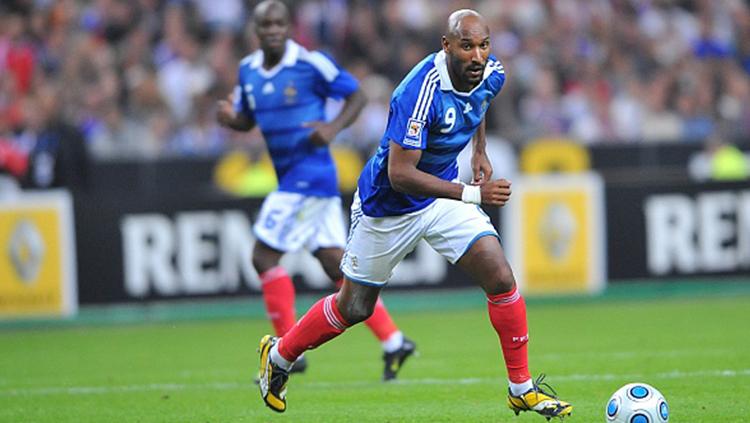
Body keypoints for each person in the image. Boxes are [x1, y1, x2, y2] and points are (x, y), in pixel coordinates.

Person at [256, 9, 573, 419]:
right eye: (467, 46)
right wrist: (473, 194)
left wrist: (479, 150)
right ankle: (279, 355)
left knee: (500, 276)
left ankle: (521, 388)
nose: (477, 55)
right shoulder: (418, 91)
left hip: (442, 198)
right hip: (388, 207)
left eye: (483, 45)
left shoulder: (492, 72)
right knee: (354, 308)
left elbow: (479, 103)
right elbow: (401, 174)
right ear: (446, 46)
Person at [216, 0, 415, 381]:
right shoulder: (248, 72)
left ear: (288, 27)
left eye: (279, 23)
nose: (273, 30)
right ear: (256, 32)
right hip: (294, 179)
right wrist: (231, 120)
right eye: (266, 25)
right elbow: (245, 119)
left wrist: (332, 128)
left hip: (308, 178)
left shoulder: (310, 63)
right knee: (334, 265)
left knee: (262, 256)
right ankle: (394, 341)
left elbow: (355, 95)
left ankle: (286, 346)